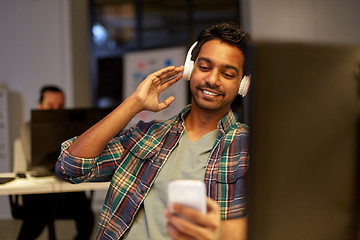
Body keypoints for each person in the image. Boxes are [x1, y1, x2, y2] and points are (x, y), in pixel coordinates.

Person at [56, 22, 250, 240]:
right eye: (205, 67)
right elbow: (70, 167)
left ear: (243, 84)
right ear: (189, 69)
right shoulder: (148, 135)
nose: (212, 80)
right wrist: (134, 103)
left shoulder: (249, 148)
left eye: (227, 74)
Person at [17, 86, 95, 240]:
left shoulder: (71, 128)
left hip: (68, 185)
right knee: (35, 222)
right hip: (40, 190)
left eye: (60, 106)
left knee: (87, 219)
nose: (56, 110)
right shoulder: (28, 128)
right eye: (51, 106)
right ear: (40, 105)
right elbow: (33, 158)